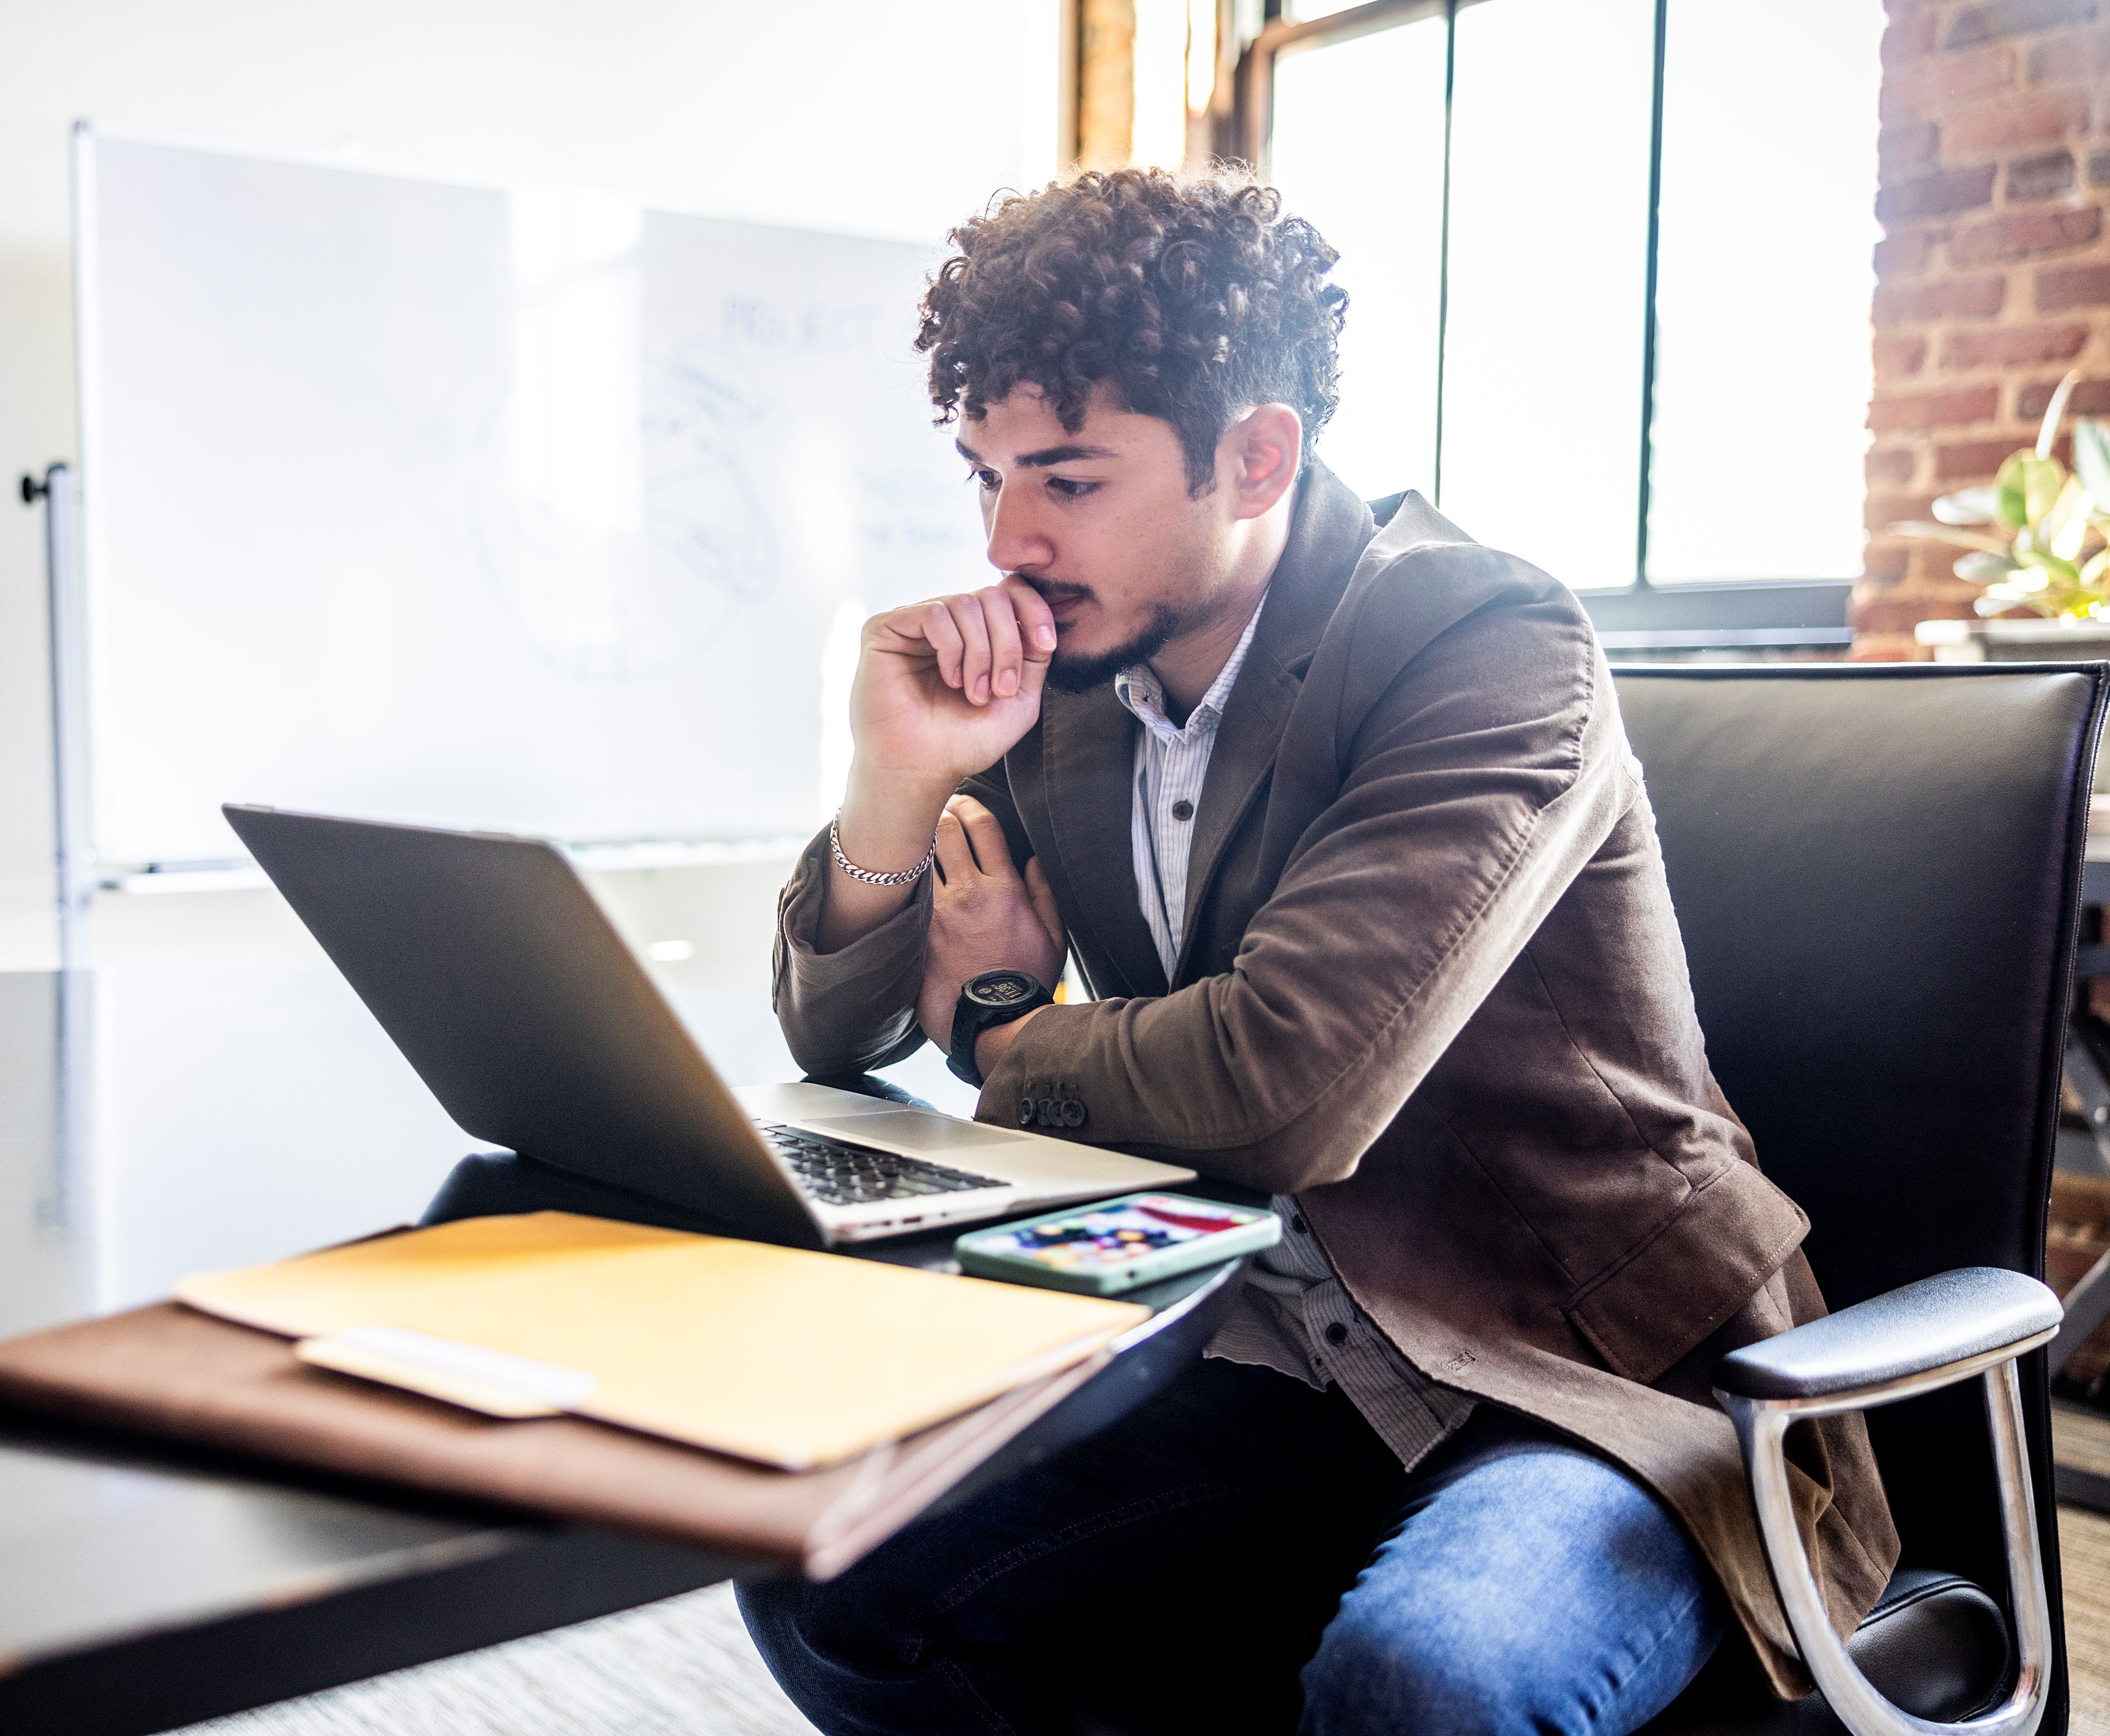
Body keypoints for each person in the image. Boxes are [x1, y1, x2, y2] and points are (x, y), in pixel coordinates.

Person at [736, 166, 1894, 1736]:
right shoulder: (1072, 676)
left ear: (1257, 454)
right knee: (831, 1562)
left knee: (1421, 1680)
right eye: (984, 475)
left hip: (1588, 1382)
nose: (1009, 538)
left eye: (1067, 479)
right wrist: (893, 780)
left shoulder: (1481, 645)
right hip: (1273, 1352)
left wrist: (1005, 1030)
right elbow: (835, 1042)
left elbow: (1282, 1082)